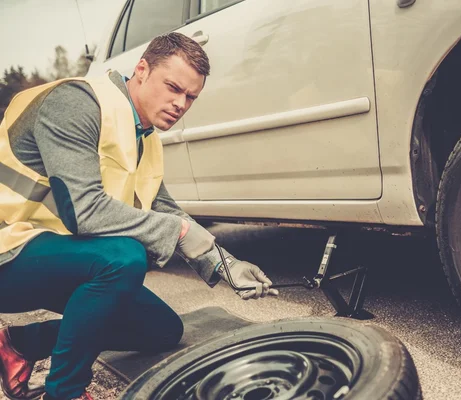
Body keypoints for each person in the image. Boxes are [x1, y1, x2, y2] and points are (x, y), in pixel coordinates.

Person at [0, 32, 278, 400]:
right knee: (122, 258)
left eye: (190, 96)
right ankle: (65, 392)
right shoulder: (75, 103)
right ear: (142, 70)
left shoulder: (141, 135)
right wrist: (178, 232)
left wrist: (227, 264)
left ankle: (18, 344)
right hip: (9, 255)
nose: (180, 104)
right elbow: (84, 210)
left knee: (160, 329)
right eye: (173, 88)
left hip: (52, 258)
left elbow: (161, 206)